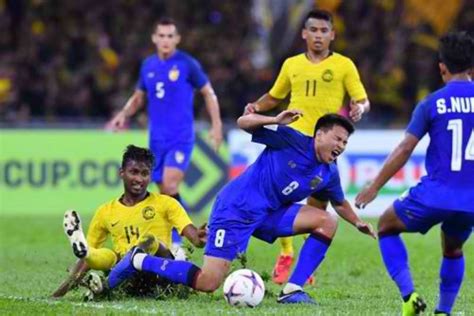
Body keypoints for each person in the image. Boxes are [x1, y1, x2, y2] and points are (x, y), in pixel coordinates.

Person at [107, 112, 376, 304]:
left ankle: (292, 290)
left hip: (268, 214)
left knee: (328, 221)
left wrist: (358, 222)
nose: (341, 146)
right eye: (338, 139)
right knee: (208, 283)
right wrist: (273, 119)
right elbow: (243, 122)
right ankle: (139, 260)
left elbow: (339, 203)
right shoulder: (291, 140)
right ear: (319, 134)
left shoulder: (328, 172)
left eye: (345, 143)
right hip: (236, 209)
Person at [245, 9, 370, 285]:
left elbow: (362, 99)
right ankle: (286, 252)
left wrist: (359, 108)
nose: (318, 36)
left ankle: (304, 261)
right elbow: (274, 96)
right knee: (283, 198)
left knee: (318, 209)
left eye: (324, 31)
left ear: (332, 35)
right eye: (313, 30)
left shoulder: (344, 65)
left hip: (324, 147)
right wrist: (256, 106)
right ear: (304, 33)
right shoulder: (291, 65)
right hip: (292, 142)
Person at [355, 31, 474, 316]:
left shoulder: (432, 103)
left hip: (435, 193)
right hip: (470, 201)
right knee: (453, 248)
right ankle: (443, 311)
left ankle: (410, 296)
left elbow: (405, 148)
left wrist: (374, 186)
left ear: (441, 67)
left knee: (386, 226)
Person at [108, 17, 223, 248]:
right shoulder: (148, 65)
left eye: (170, 36)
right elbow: (139, 96)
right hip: (156, 140)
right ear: (154, 38)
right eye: (161, 35)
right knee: (163, 190)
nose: (166, 40)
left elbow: (208, 93)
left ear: (177, 39)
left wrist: (216, 125)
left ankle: (179, 243)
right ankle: (177, 237)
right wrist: (123, 114)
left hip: (181, 137)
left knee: (170, 185)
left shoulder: (187, 64)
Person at [52, 145, 207, 298]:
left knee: (151, 241)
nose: (139, 179)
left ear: (150, 176)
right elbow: (85, 263)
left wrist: (199, 237)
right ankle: (96, 260)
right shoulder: (105, 212)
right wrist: (59, 293)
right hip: (127, 282)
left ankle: (105, 286)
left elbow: (193, 236)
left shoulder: (167, 204)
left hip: (159, 277)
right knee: (108, 256)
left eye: (145, 173)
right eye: (134, 172)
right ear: (122, 172)